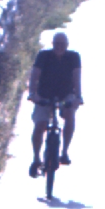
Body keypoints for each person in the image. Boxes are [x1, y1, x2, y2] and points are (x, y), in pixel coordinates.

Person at [28, 31, 82, 177]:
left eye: (62, 44)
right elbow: (34, 75)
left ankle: (64, 152)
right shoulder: (43, 56)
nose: (59, 47)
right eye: (56, 44)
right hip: (44, 95)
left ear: (67, 45)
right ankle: (36, 158)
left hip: (65, 94)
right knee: (40, 124)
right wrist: (33, 94)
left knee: (69, 114)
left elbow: (77, 78)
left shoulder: (74, 57)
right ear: (52, 44)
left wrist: (78, 97)